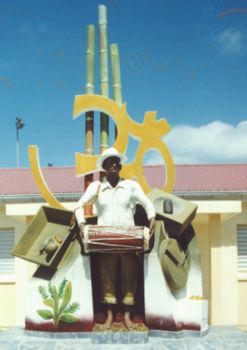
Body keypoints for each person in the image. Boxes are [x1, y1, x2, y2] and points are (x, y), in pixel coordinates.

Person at [75, 147, 156, 330]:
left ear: (120, 166)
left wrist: (152, 217)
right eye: (109, 161)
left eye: (116, 161)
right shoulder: (96, 188)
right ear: (103, 167)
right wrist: (82, 224)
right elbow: (79, 206)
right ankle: (109, 317)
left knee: (130, 278)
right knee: (108, 278)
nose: (113, 164)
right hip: (106, 241)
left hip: (129, 240)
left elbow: (148, 203)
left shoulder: (132, 186)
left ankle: (127, 317)